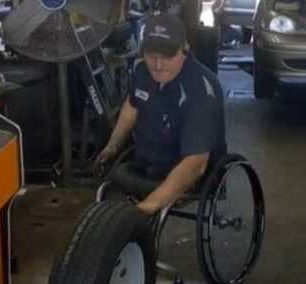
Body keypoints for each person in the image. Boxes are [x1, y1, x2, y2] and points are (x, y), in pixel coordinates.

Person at [95, 13, 227, 215]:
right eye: (151, 55)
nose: (157, 65)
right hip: (147, 162)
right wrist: (111, 147)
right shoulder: (142, 72)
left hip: (187, 173)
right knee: (111, 184)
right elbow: (132, 107)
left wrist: (146, 208)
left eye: (167, 56)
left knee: (125, 219)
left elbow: (196, 164)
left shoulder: (200, 89)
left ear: (185, 48)